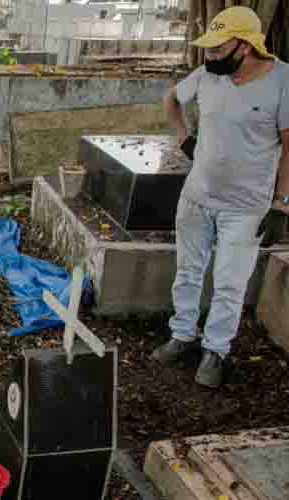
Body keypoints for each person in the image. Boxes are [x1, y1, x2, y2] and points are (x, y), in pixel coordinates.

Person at [152, 6, 289, 388]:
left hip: (245, 207)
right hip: (196, 197)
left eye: (217, 48)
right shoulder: (207, 75)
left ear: (245, 46)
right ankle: (182, 334)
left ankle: (215, 350)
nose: (209, 55)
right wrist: (185, 139)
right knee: (187, 271)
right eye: (208, 48)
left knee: (229, 282)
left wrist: (281, 204)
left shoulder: (282, 80)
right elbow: (171, 100)